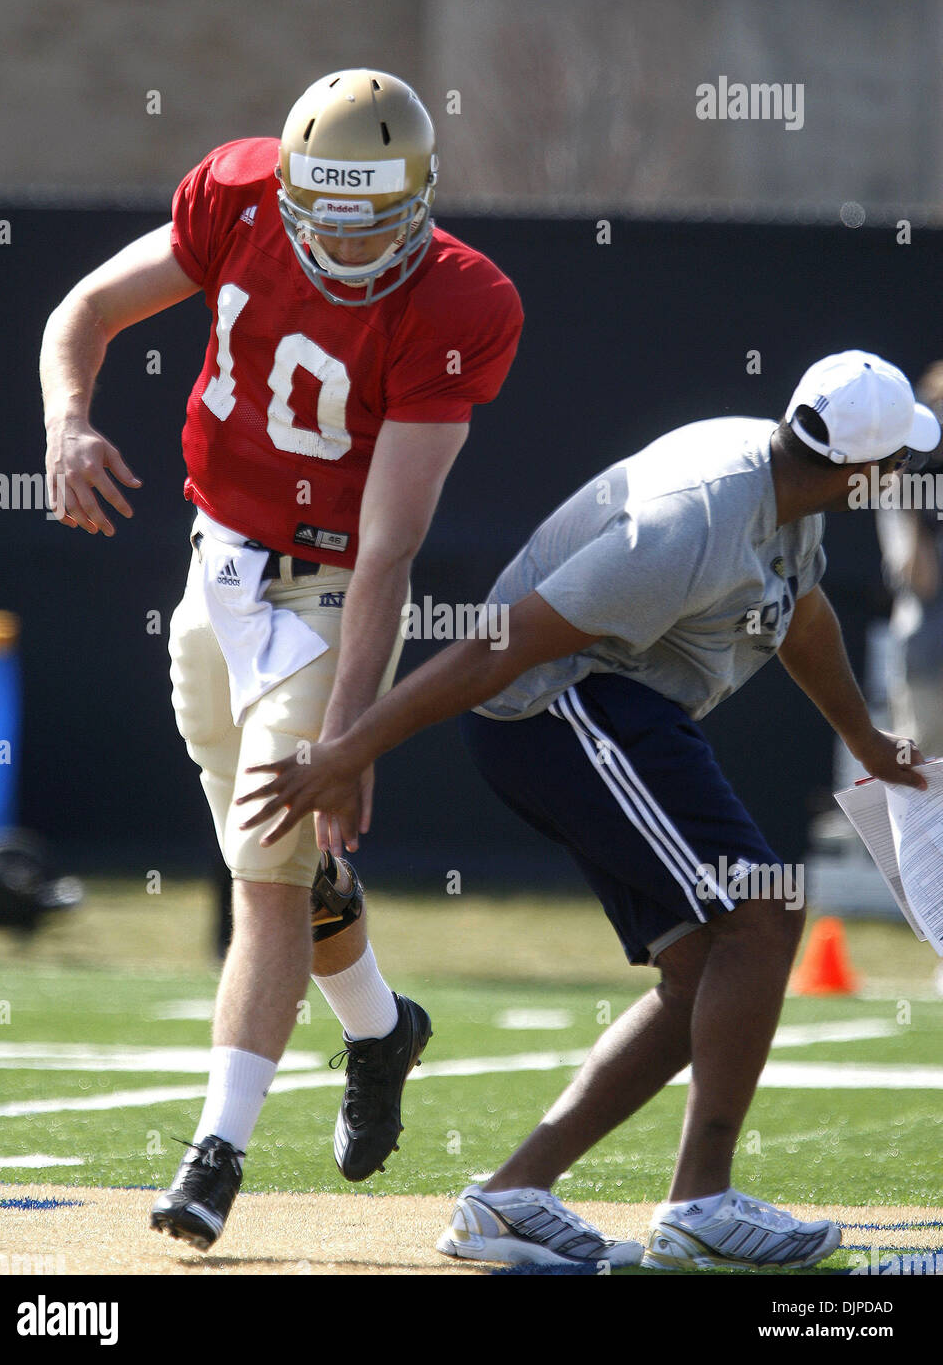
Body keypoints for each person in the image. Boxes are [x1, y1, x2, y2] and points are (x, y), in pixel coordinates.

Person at [238, 350, 939, 1270]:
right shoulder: (697, 519)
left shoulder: (779, 486)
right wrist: (350, 749)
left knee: (706, 965)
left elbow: (800, 616)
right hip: (554, 705)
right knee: (761, 914)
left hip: (611, 704)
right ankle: (700, 1204)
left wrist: (874, 742)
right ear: (863, 473)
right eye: (901, 466)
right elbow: (504, 647)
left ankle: (509, 1198)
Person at [40, 68, 523, 1251]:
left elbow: (389, 546)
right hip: (220, 565)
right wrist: (66, 421)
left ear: (419, 202)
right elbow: (84, 312)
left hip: (330, 595)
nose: (349, 247)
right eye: (330, 218)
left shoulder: (462, 300)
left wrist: (353, 728)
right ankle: (378, 1027)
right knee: (284, 864)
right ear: (295, 193)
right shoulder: (241, 194)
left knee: (263, 875)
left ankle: (217, 1152)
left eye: (376, 221)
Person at [877, 361, 943, 757]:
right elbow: (922, 582)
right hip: (928, 654)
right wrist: (914, 505)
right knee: (928, 775)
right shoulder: (904, 485)